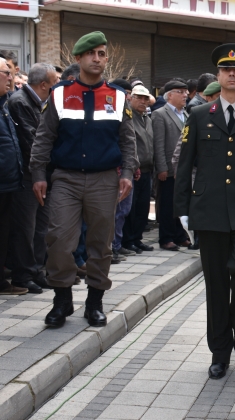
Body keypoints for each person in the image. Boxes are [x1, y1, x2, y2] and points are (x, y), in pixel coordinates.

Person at [174, 43, 235, 381]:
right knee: (216, 285)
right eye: (226, 70)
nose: (232, 74)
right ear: (218, 76)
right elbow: (185, 166)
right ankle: (220, 351)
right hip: (209, 210)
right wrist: (182, 210)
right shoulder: (200, 116)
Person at [30, 31, 137, 327]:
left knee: (101, 244)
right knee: (59, 240)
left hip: (105, 180)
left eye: (102, 54)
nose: (97, 58)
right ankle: (62, 300)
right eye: (91, 53)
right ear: (78, 58)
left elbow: (128, 142)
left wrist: (127, 173)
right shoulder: (60, 93)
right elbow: (44, 138)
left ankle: (95, 302)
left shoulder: (117, 97)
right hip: (65, 179)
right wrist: (38, 174)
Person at [7, 63, 58, 294]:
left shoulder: (44, 103)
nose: (57, 85)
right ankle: (22, 274)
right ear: (44, 84)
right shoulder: (20, 102)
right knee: (25, 228)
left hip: (45, 174)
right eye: (54, 81)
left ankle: (37, 270)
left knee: (41, 227)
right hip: (29, 175)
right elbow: (32, 140)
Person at [0, 56, 28, 296]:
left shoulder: (5, 105)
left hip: (8, 183)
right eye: (5, 73)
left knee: (5, 234)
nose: (11, 77)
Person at [153, 80, 190, 251]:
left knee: (180, 203)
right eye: (181, 92)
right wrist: (161, 167)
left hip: (183, 168)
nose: (185, 95)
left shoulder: (186, 114)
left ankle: (180, 235)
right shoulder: (160, 114)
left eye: (186, 92)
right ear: (169, 95)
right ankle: (166, 237)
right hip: (168, 168)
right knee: (167, 205)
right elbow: (158, 143)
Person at [108, 79, 140, 259]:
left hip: (126, 170)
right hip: (114, 172)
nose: (128, 96)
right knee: (113, 213)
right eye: (126, 93)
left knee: (123, 212)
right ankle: (111, 247)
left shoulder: (126, 111)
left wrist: (132, 168)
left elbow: (130, 142)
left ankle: (117, 245)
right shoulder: (111, 110)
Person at [123, 85, 156, 254]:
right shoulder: (128, 116)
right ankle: (128, 240)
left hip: (147, 170)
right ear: (131, 98)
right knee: (131, 209)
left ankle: (137, 238)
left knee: (143, 208)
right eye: (139, 98)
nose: (143, 102)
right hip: (133, 170)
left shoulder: (147, 119)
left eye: (146, 99)